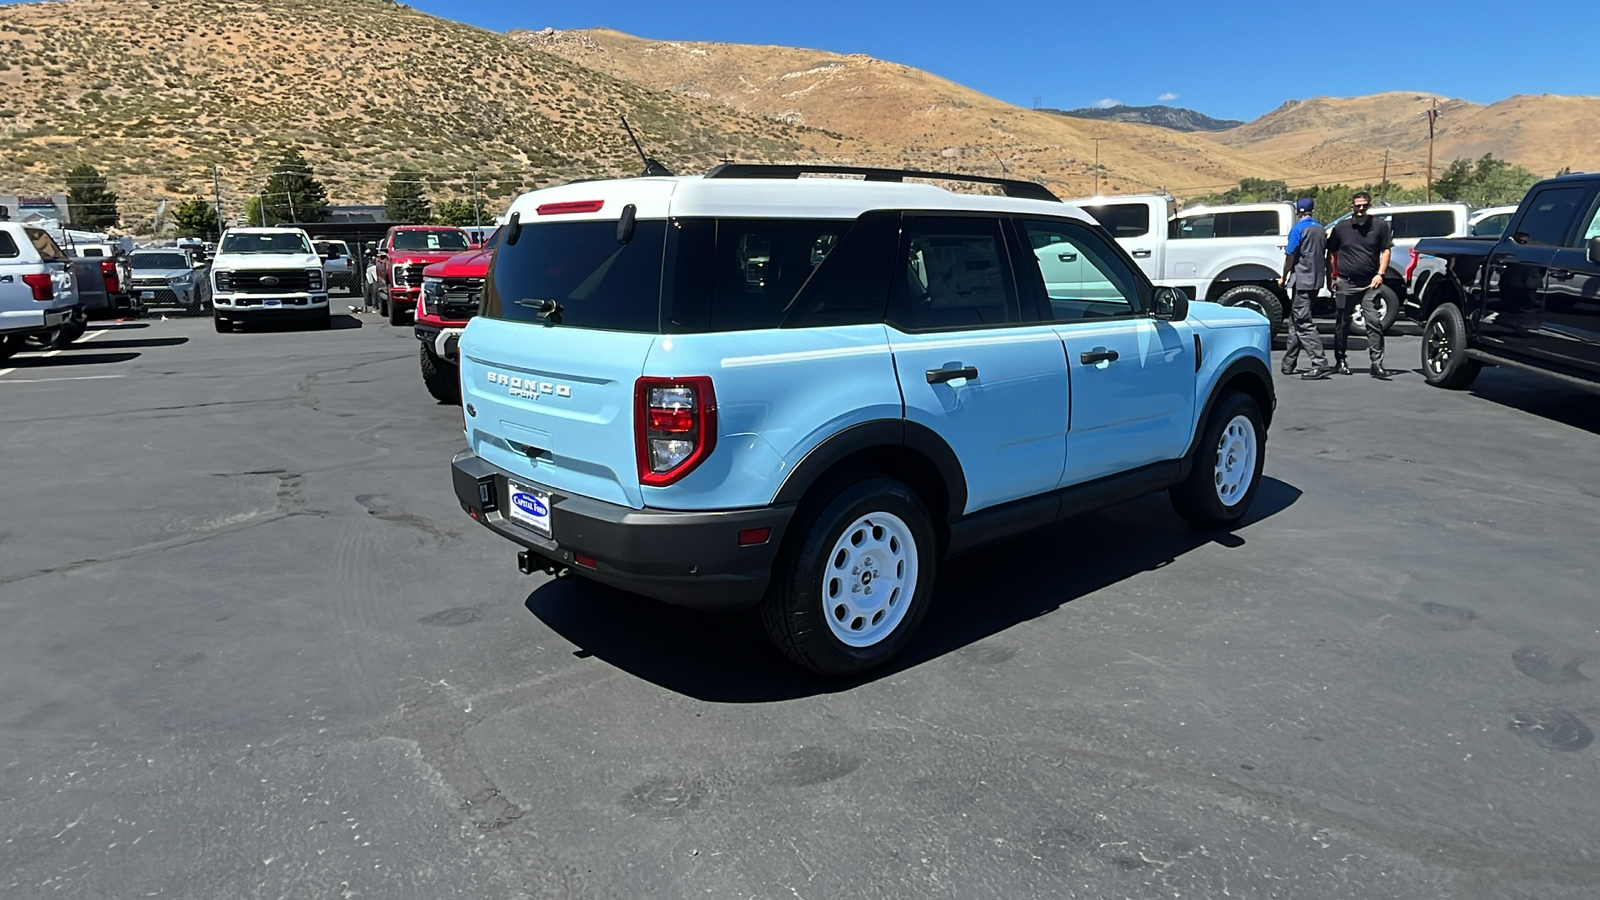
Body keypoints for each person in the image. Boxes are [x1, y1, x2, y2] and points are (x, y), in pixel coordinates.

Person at [1326, 192, 1394, 378]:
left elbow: (1386, 250)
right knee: (1342, 322)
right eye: (1358, 205)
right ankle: (1340, 360)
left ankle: (1377, 364)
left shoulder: (1379, 226)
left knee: (1373, 322)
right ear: (1352, 206)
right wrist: (1331, 277)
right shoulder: (1341, 228)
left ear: (1369, 205)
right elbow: (1331, 253)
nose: (1361, 208)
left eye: (1364, 205)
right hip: (1346, 282)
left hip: (1370, 283)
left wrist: (1380, 274)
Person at [1278, 197, 1331, 379]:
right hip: (1316, 280)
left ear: (1298, 211)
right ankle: (1289, 363)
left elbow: (1290, 256)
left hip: (1302, 280)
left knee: (1303, 323)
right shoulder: (1320, 229)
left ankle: (1320, 362)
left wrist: (1284, 276)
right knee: (1295, 321)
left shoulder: (1298, 229)